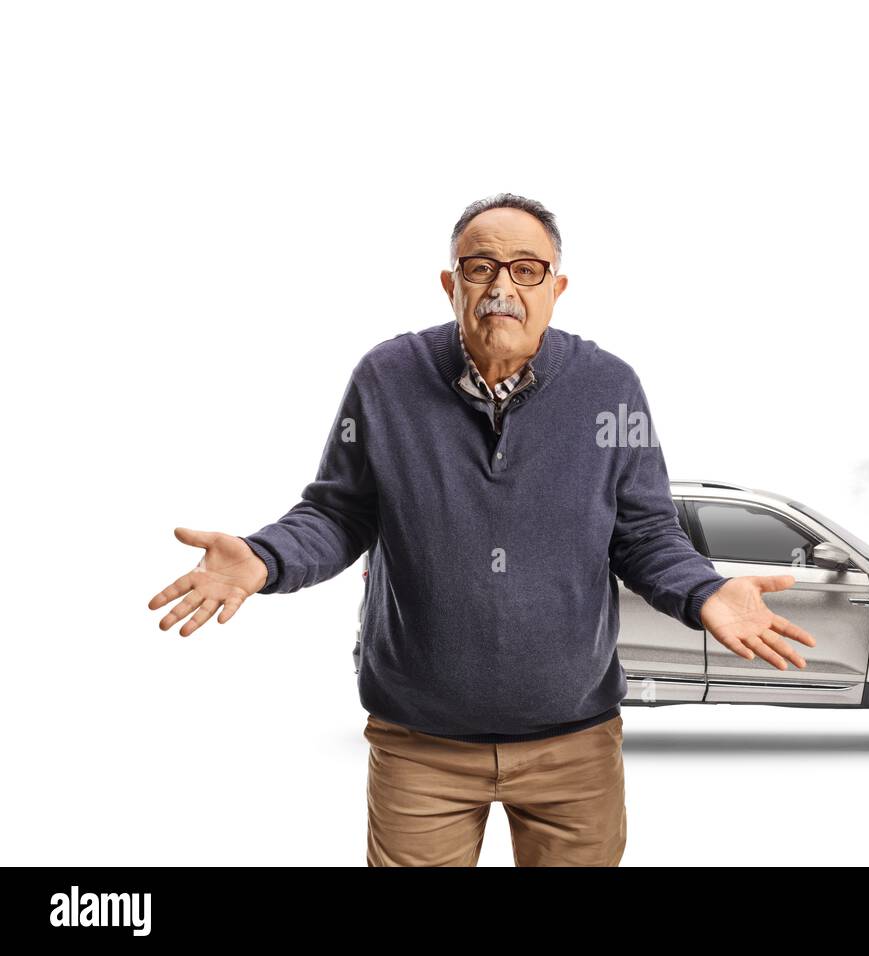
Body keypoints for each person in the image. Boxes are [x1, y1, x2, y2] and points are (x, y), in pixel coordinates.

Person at [147, 192, 817, 866]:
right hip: (421, 747)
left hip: (575, 746)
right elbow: (339, 511)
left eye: (528, 270)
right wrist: (266, 558)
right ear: (451, 283)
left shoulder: (610, 388)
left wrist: (702, 591)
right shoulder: (387, 377)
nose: (502, 287)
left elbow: (644, 534)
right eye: (480, 268)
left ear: (557, 287)